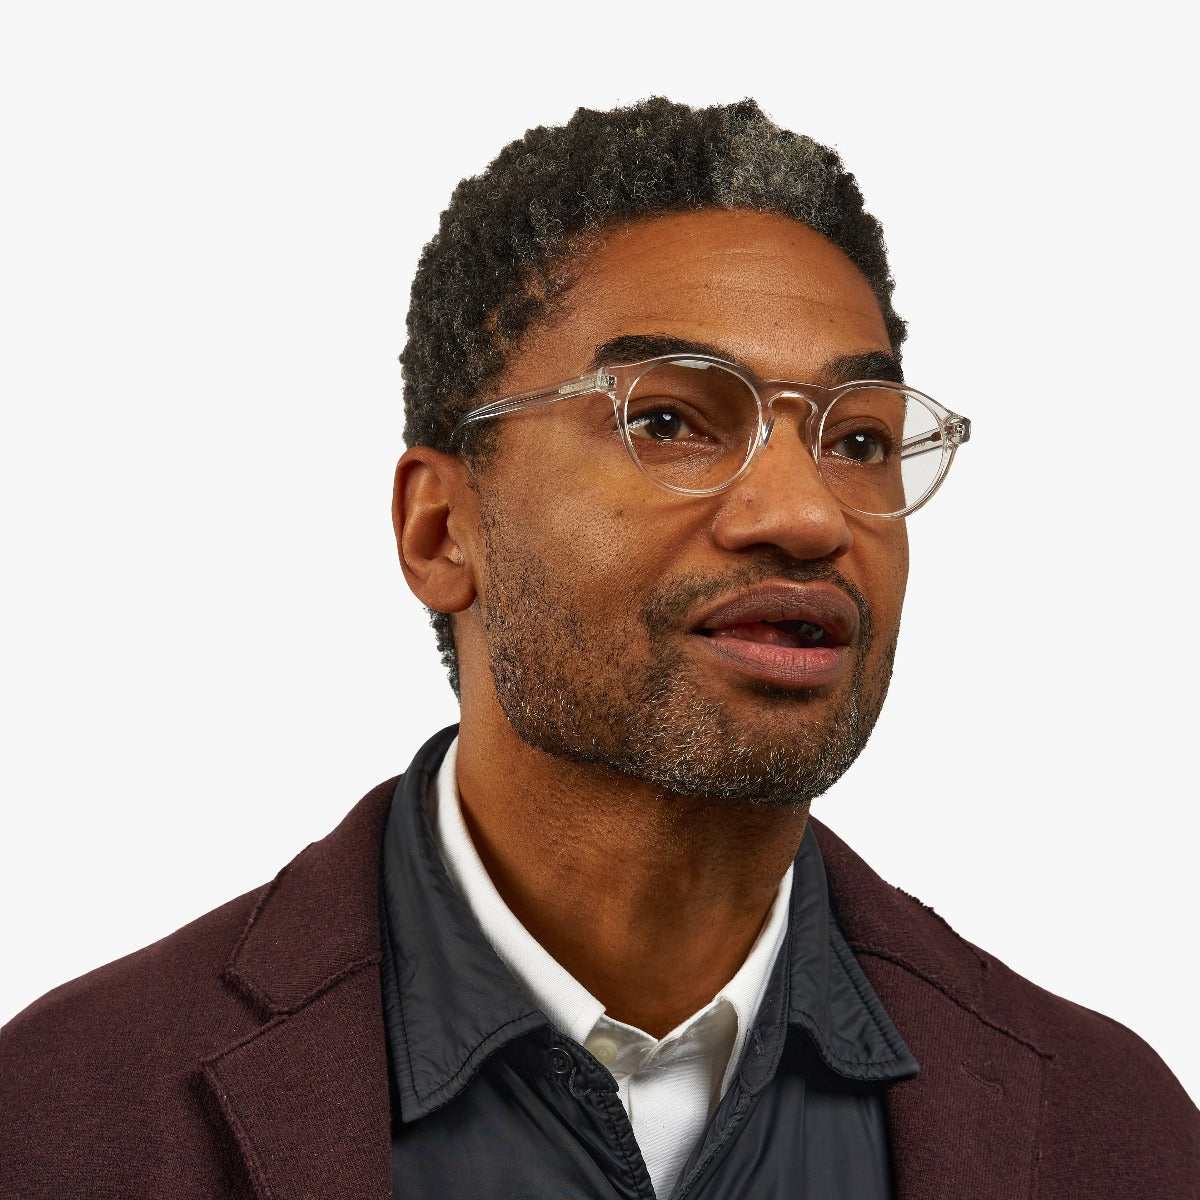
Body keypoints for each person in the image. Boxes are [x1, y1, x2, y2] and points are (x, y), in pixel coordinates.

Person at [1, 97, 1195, 1199]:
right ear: (441, 530)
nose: (807, 514)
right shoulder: (63, 1121)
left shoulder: (1116, 1133)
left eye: (861, 441)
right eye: (670, 420)